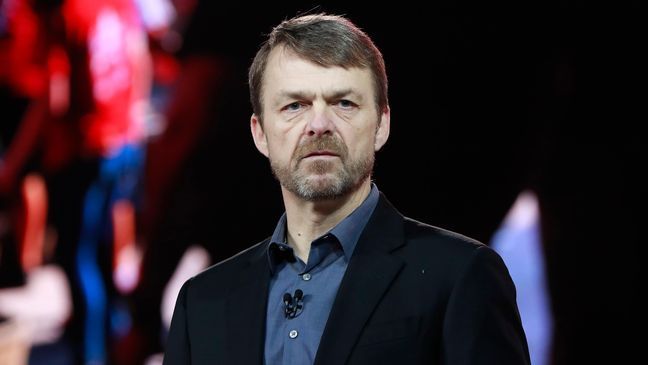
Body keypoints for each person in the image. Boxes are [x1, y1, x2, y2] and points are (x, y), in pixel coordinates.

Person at [163, 13, 530, 365]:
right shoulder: (202, 302)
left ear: (382, 124)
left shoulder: (460, 277)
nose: (318, 124)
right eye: (294, 105)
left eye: (344, 103)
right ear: (260, 133)